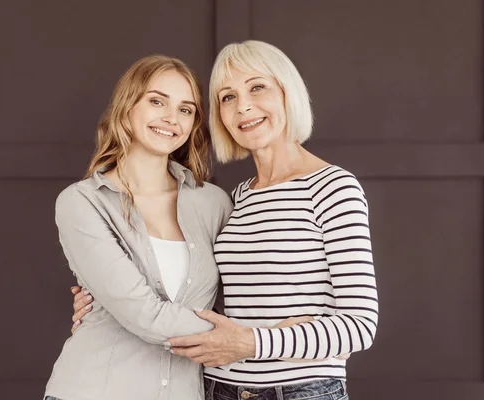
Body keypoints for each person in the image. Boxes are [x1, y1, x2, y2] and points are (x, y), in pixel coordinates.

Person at [71, 41, 378, 400]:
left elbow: (360, 326)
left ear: (287, 92)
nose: (243, 105)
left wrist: (252, 342)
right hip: (218, 388)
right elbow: (205, 299)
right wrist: (104, 307)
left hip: (297, 391)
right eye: (227, 97)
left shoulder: (332, 186)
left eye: (257, 87)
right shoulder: (238, 198)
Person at [43, 54, 234, 400]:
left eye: (186, 109)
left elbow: (237, 298)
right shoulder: (83, 203)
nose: (171, 118)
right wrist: (252, 337)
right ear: (127, 106)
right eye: (157, 101)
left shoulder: (214, 203)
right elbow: (145, 316)